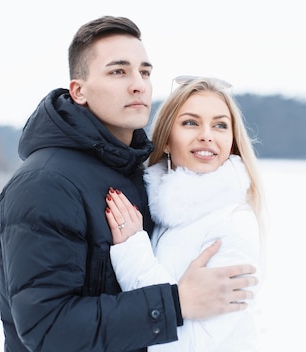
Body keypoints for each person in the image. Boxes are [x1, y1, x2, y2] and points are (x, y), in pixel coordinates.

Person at [0, 16, 257, 352]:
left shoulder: (136, 174)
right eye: (118, 71)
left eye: (144, 72)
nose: (139, 85)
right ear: (79, 91)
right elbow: (46, 329)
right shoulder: (46, 183)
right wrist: (175, 304)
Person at [104, 76, 267, 351]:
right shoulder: (160, 211)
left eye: (220, 125)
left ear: (232, 142)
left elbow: (189, 344)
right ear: (166, 140)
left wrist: (133, 251)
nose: (207, 135)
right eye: (191, 122)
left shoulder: (234, 223)